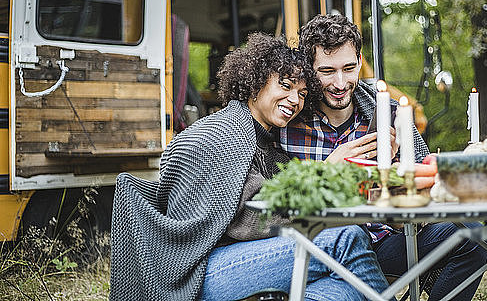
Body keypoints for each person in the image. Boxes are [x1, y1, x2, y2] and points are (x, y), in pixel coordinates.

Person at [110, 33, 389, 301]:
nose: (295, 100)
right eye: (286, 85)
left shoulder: (267, 144)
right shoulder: (223, 133)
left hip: (242, 258)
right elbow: (259, 218)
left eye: (302, 93)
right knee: (346, 238)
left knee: (340, 289)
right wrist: (325, 174)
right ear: (255, 84)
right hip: (196, 273)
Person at [277, 15, 487, 301]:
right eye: (327, 71)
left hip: (385, 241)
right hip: (325, 248)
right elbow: (278, 206)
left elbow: (427, 181)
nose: (340, 83)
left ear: (360, 61)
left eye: (349, 68)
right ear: (308, 68)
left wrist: (399, 174)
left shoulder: (388, 111)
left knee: (473, 235)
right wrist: (327, 172)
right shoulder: (287, 120)